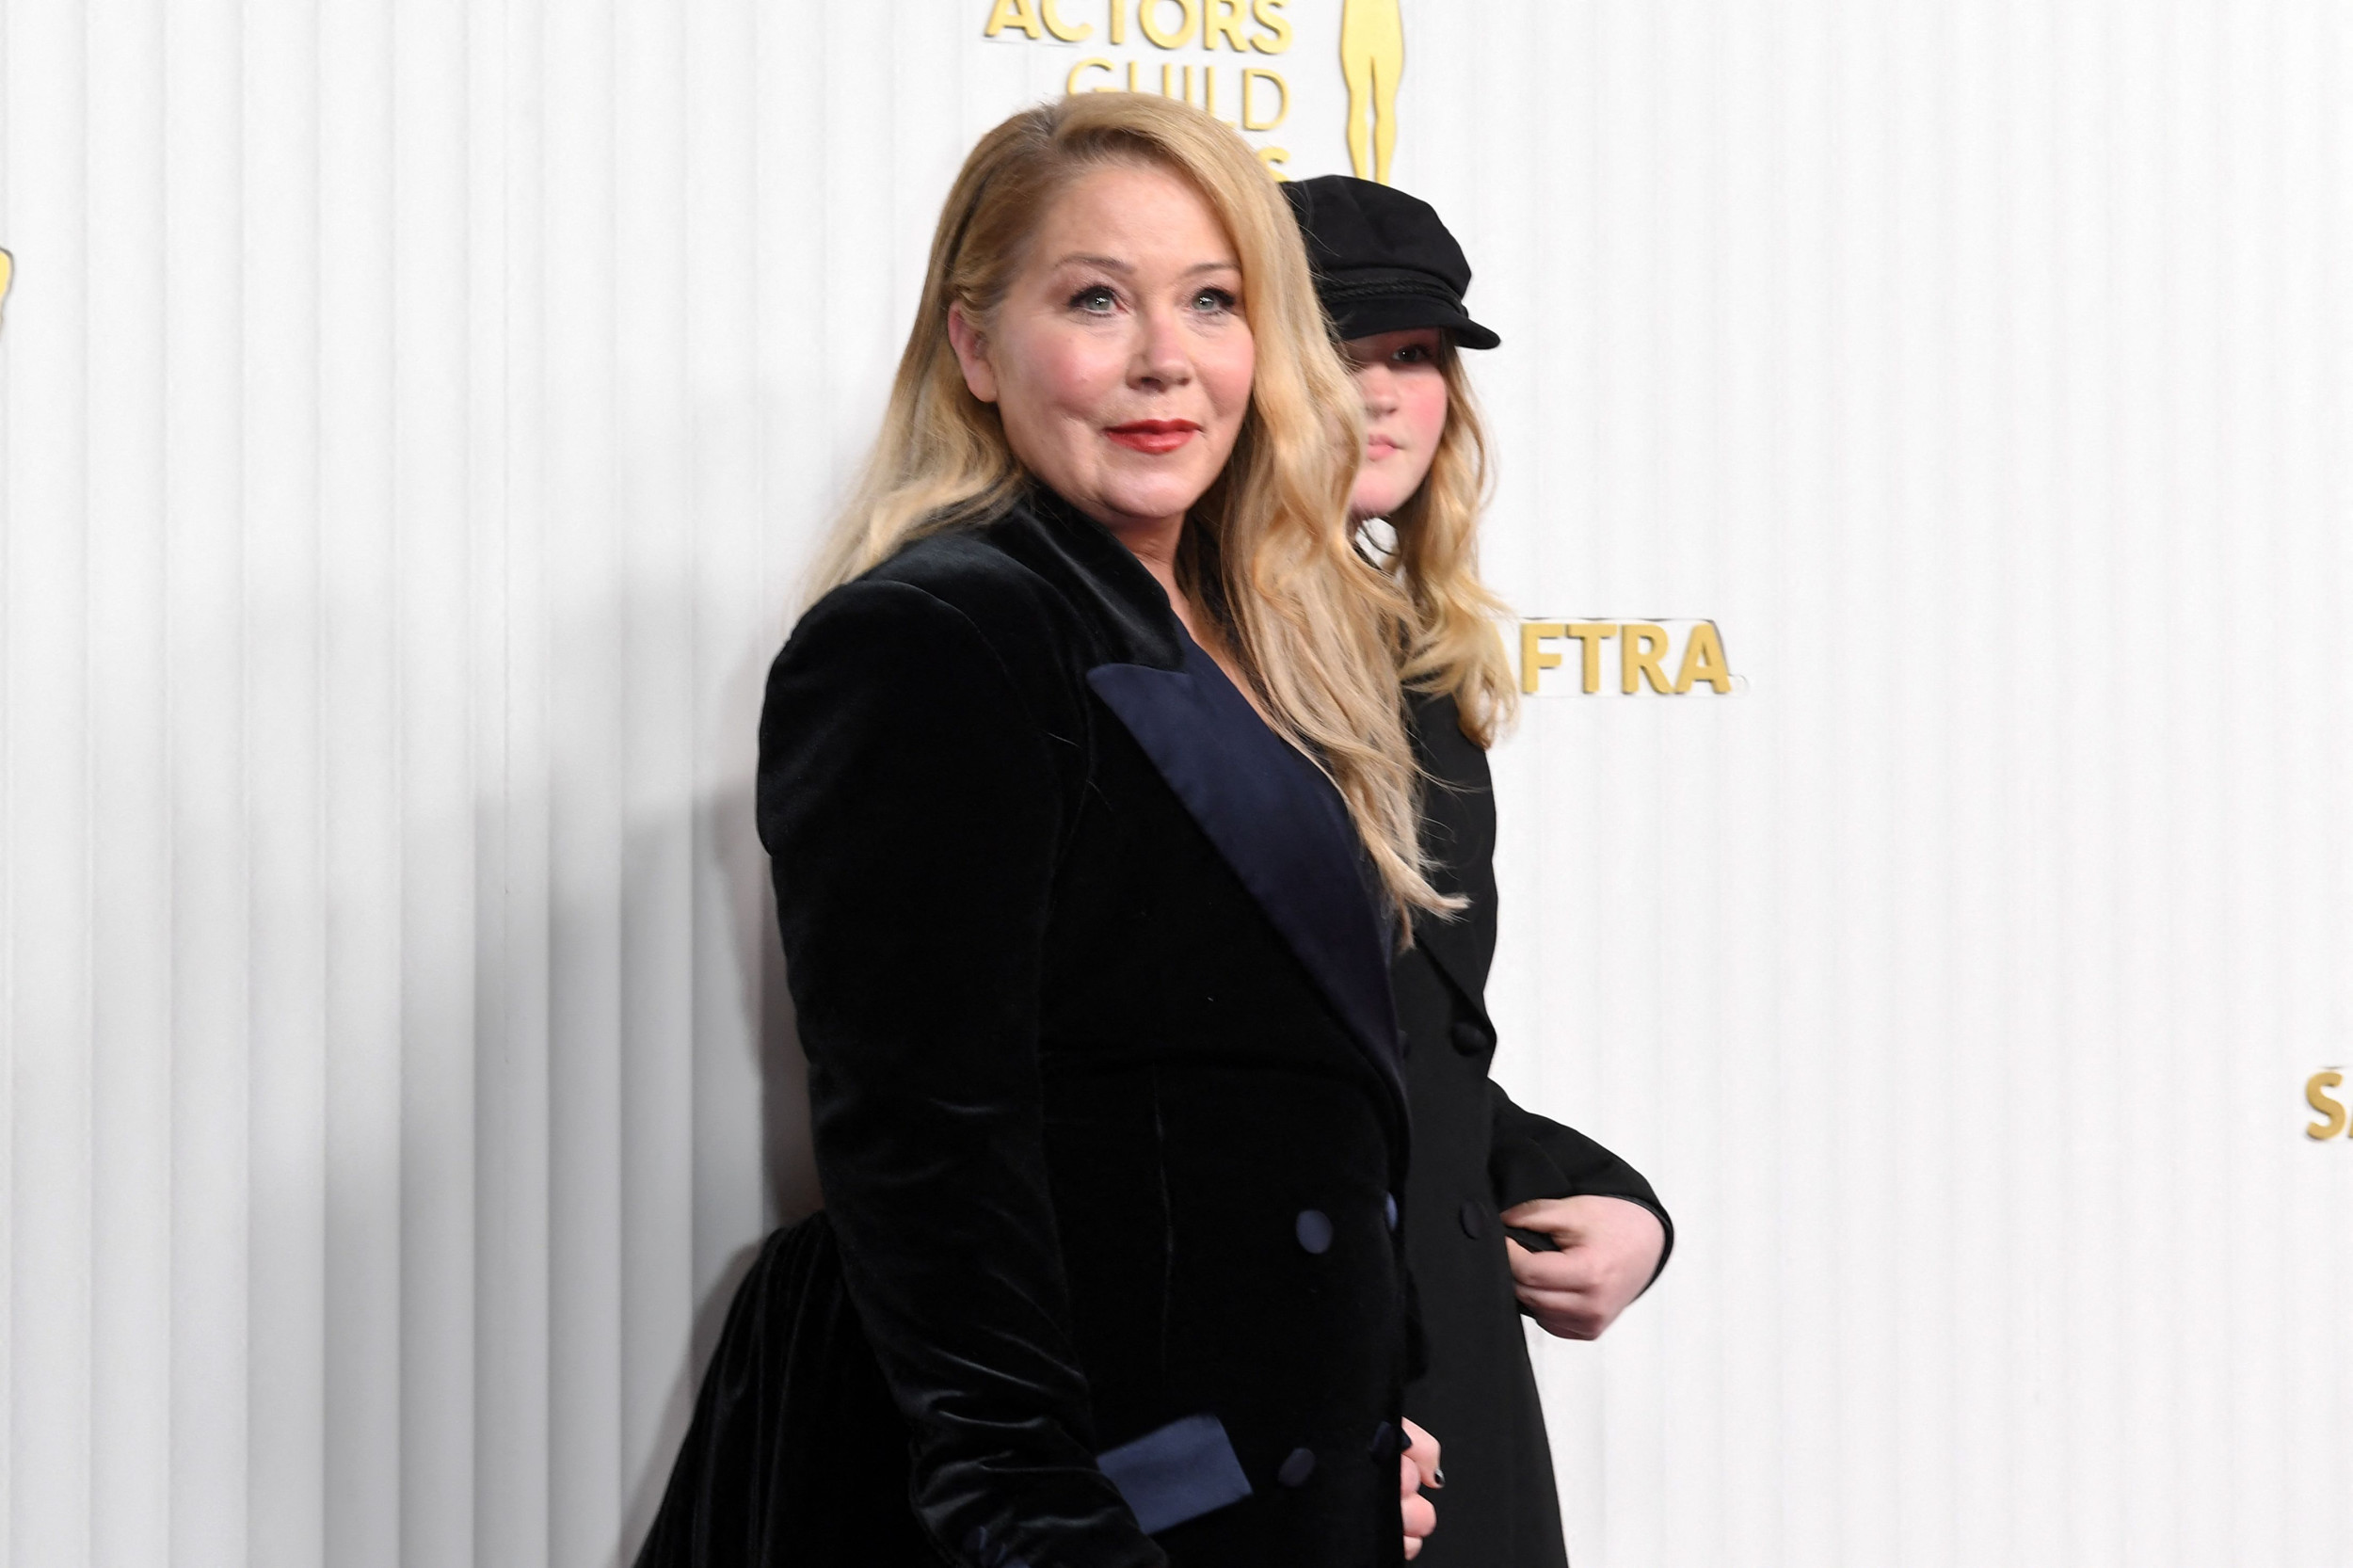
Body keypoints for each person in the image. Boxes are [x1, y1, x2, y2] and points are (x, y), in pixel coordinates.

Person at [636, 98, 1447, 1568]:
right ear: (973, 349)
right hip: (1097, 1514)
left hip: (1260, 1481)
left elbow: (1264, 1123)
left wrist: (1346, 1422)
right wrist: (1048, 1529)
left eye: (1213, 301)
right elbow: (929, 1152)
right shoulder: (937, 635)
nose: (1164, 360)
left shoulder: (1255, 645)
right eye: (1094, 299)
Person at [1283, 174, 1676, 1568]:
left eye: (1416, 356)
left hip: (1447, 1360)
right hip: (1291, 1390)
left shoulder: (1419, 663)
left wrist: (1604, 1195)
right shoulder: (1172, 653)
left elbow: (1407, 1057)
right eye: (1338, 349)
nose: (1384, 394)